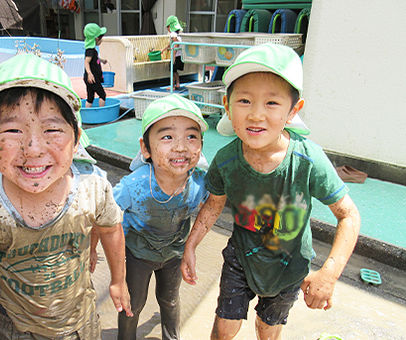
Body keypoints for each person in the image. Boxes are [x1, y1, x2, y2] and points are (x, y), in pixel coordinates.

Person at [180, 43, 361, 340]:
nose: (256, 115)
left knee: (268, 330)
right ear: (227, 106)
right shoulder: (226, 161)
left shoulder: (308, 160)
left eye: (272, 103)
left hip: (289, 268)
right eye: (245, 101)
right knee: (225, 326)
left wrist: (329, 272)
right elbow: (213, 205)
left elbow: (349, 215)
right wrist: (191, 244)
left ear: (293, 111)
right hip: (241, 258)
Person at [0, 53, 132, 340]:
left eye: (52, 129)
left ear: (76, 137)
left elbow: (111, 228)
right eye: (12, 130)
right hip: (18, 330)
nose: (33, 148)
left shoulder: (92, 186)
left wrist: (119, 280)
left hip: (82, 324)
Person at [111, 94, 209, 340]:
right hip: (138, 255)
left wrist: (190, 247)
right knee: (133, 304)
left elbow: (214, 206)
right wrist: (93, 250)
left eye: (191, 137)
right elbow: (104, 214)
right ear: (146, 148)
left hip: (173, 255)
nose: (180, 147)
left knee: (169, 300)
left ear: (200, 146)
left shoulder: (199, 184)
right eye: (167, 137)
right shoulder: (135, 185)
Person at [84, 23, 108, 108]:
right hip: (93, 78)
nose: (102, 40)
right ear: (97, 38)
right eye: (101, 38)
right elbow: (86, 62)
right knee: (102, 95)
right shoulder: (90, 50)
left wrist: (101, 60)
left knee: (90, 98)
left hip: (89, 79)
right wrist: (90, 74)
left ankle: (88, 115)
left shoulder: (91, 49)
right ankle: (102, 112)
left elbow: (94, 59)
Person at [161, 16, 184, 91]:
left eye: (167, 26)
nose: (167, 28)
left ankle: (172, 86)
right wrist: (163, 50)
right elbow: (170, 44)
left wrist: (173, 56)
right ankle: (177, 84)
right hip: (179, 57)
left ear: (170, 26)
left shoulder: (173, 35)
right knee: (175, 72)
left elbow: (175, 44)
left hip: (176, 57)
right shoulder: (178, 35)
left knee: (172, 72)